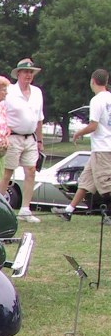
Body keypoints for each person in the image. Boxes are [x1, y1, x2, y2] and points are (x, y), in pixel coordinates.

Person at [55, 69, 111, 222]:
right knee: (86, 181)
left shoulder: (97, 100)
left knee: (105, 184)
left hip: (103, 148)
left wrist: (78, 133)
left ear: (92, 81)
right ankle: (69, 210)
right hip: (101, 148)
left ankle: (110, 215)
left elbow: (94, 125)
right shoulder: (109, 98)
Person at [0, 58, 45, 224]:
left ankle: (25, 209)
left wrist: (39, 140)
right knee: (7, 172)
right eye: (25, 72)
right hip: (12, 136)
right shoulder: (9, 91)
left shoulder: (37, 92)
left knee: (31, 171)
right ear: (18, 74)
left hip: (30, 138)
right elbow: (0, 114)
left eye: (31, 72)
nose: (28, 75)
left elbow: (39, 118)